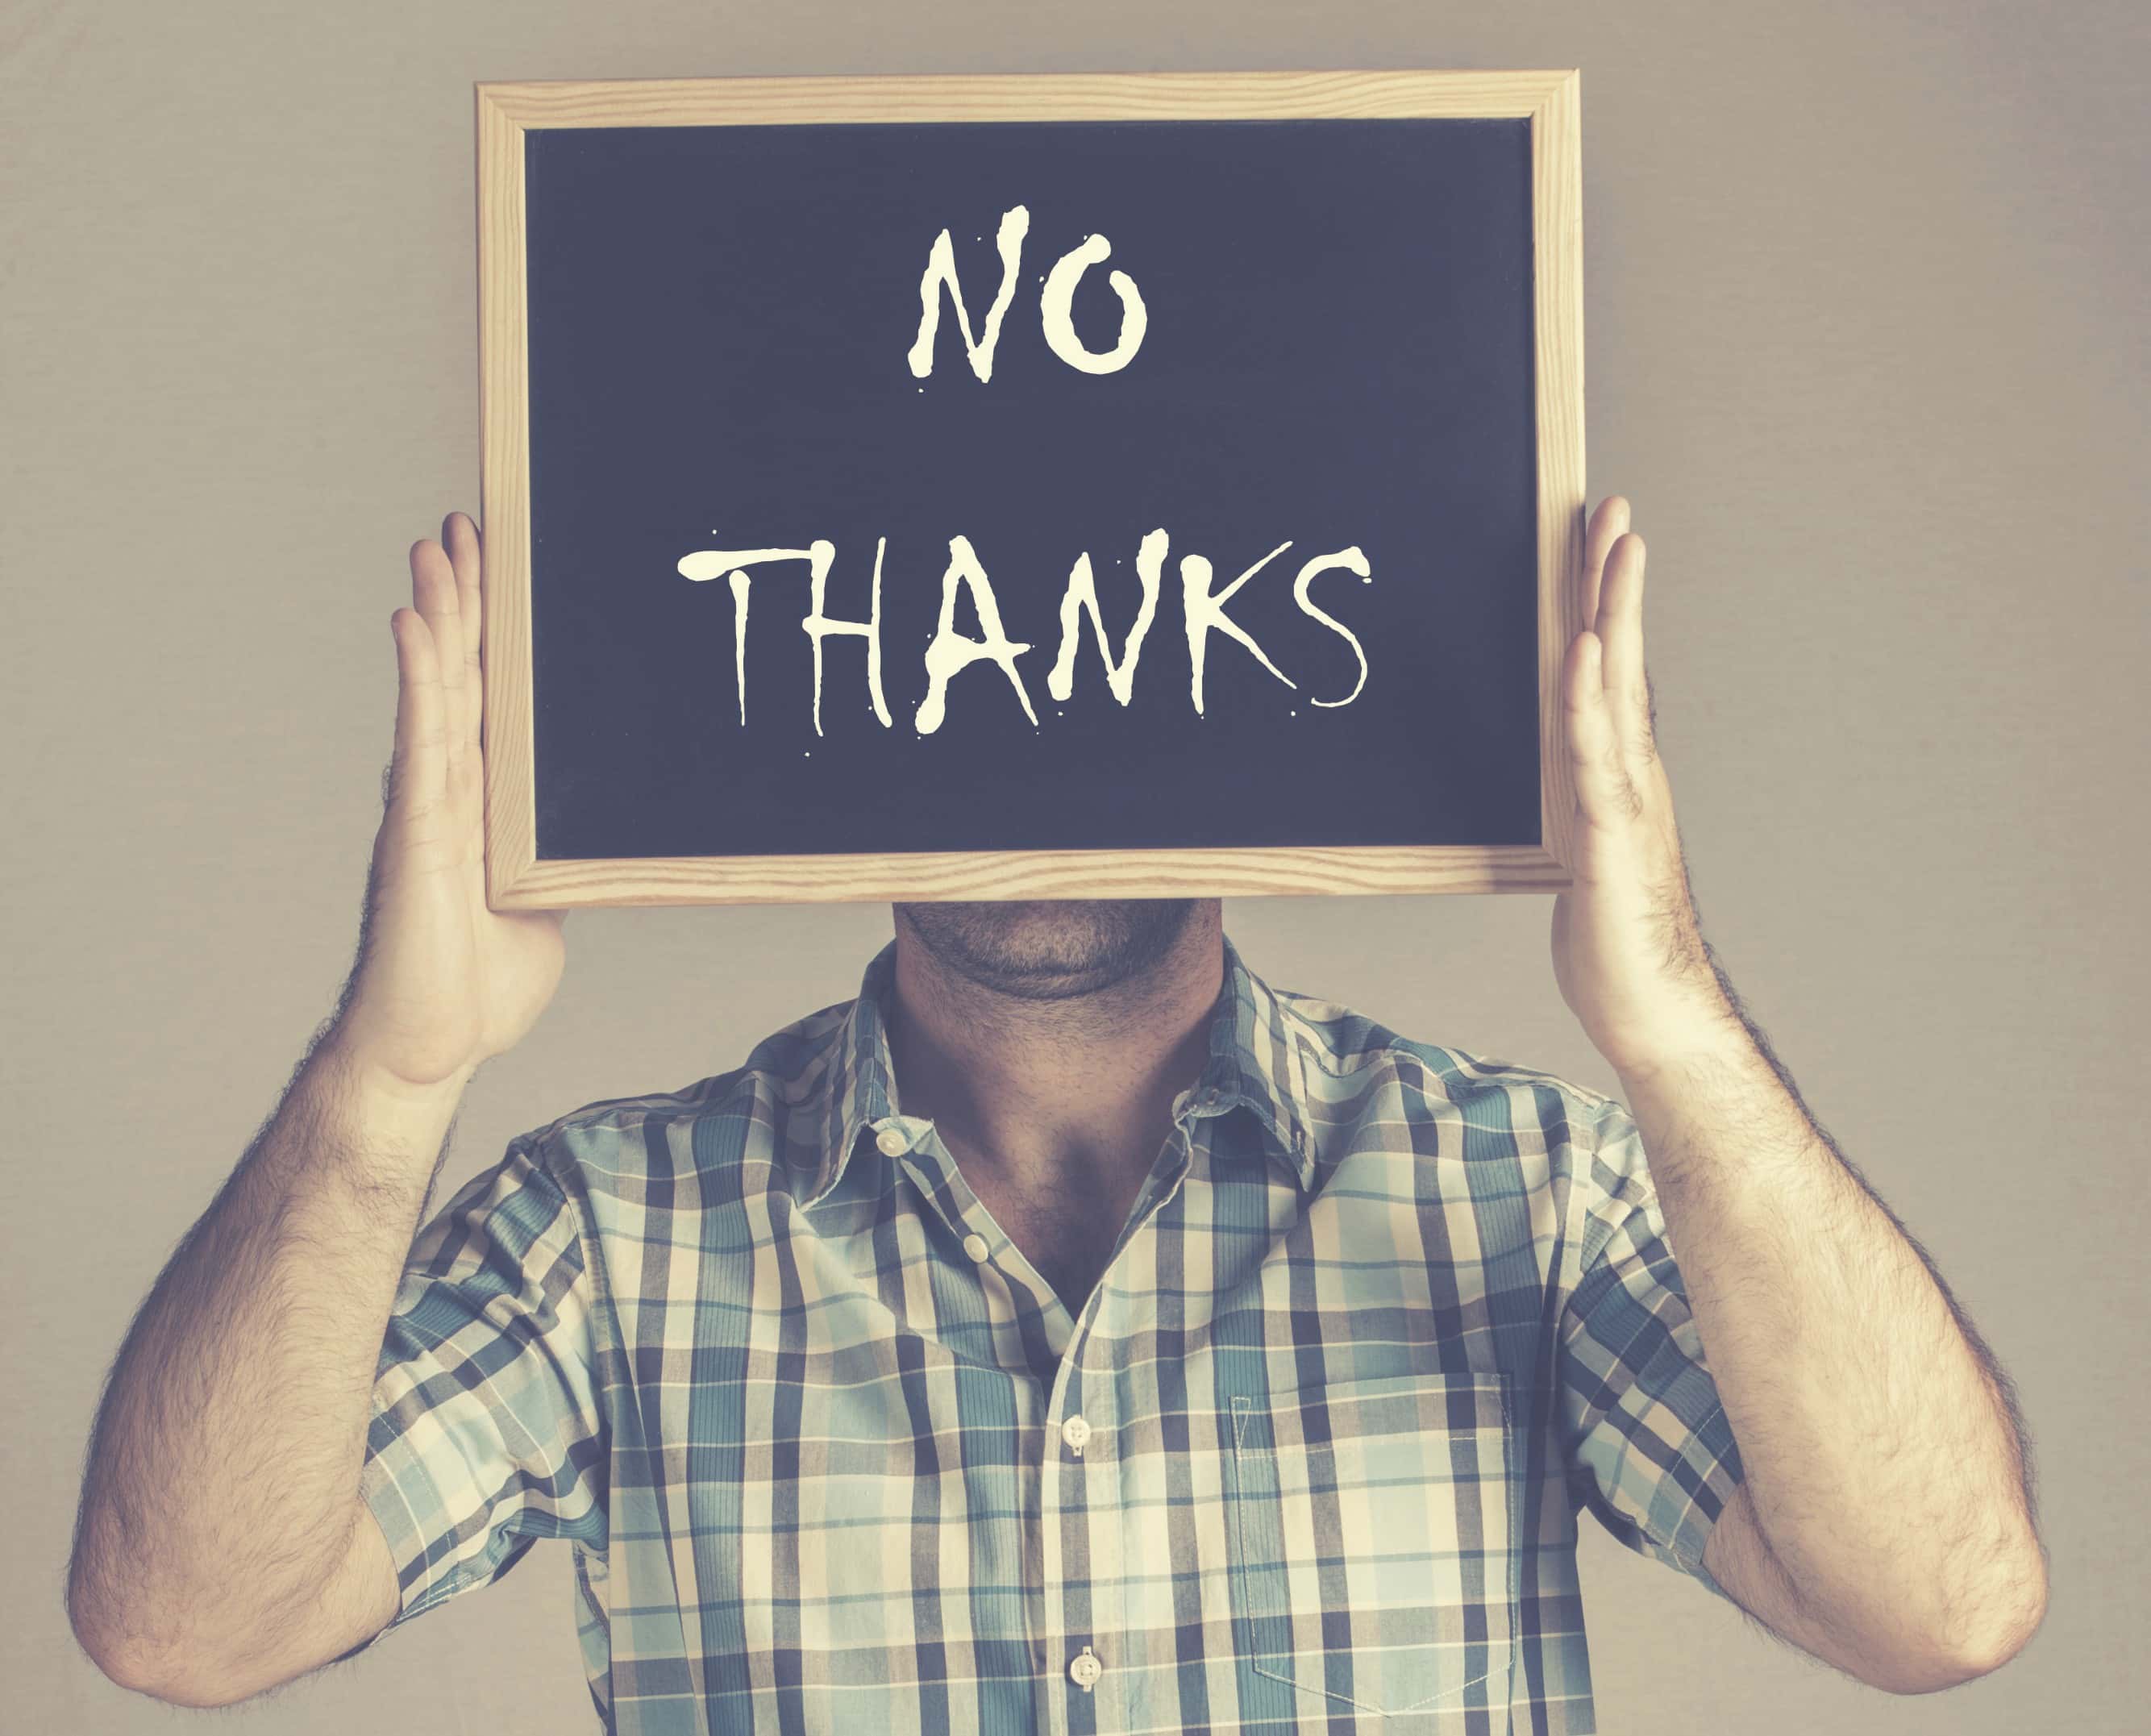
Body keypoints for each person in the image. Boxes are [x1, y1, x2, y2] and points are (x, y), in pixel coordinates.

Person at [66, 500, 2046, 1731]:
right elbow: (180, 1627)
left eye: (1097, 637)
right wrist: (391, 1075)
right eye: (963, 635)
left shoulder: (1512, 1187)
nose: (1033, 709)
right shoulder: (611, 1235)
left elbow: (1940, 1603)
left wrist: (1675, 1029)